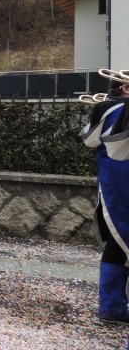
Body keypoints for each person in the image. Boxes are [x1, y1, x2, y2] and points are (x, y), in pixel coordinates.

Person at [80, 80, 129, 324]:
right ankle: (112, 307)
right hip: (119, 182)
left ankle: (112, 306)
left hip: (111, 184)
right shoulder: (114, 108)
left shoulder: (107, 108)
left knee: (118, 242)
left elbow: (90, 140)